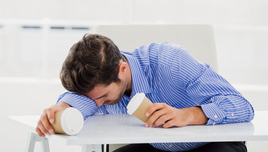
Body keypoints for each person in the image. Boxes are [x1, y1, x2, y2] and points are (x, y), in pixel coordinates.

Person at [36, 34, 254, 152]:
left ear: (121, 68)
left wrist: (188, 115)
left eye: (103, 96)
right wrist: (63, 109)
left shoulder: (171, 61)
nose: (99, 104)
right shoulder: (98, 89)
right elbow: (81, 101)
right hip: (162, 148)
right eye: (93, 98)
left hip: (213, 146)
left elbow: (242, 106)